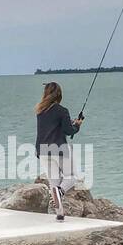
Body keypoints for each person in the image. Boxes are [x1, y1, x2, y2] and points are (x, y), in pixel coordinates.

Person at [34, 81, 83, 221]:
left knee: (53, 182)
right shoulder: (62, 110)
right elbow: (68, 131)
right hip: (59, 148)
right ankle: (60, 191)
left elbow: (52, 128)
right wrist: (77, 126)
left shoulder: (40, 111)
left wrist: (71, 125)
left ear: (45, 94)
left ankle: (59, 213)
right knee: (71, 177)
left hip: (42, 150)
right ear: (59, 94)